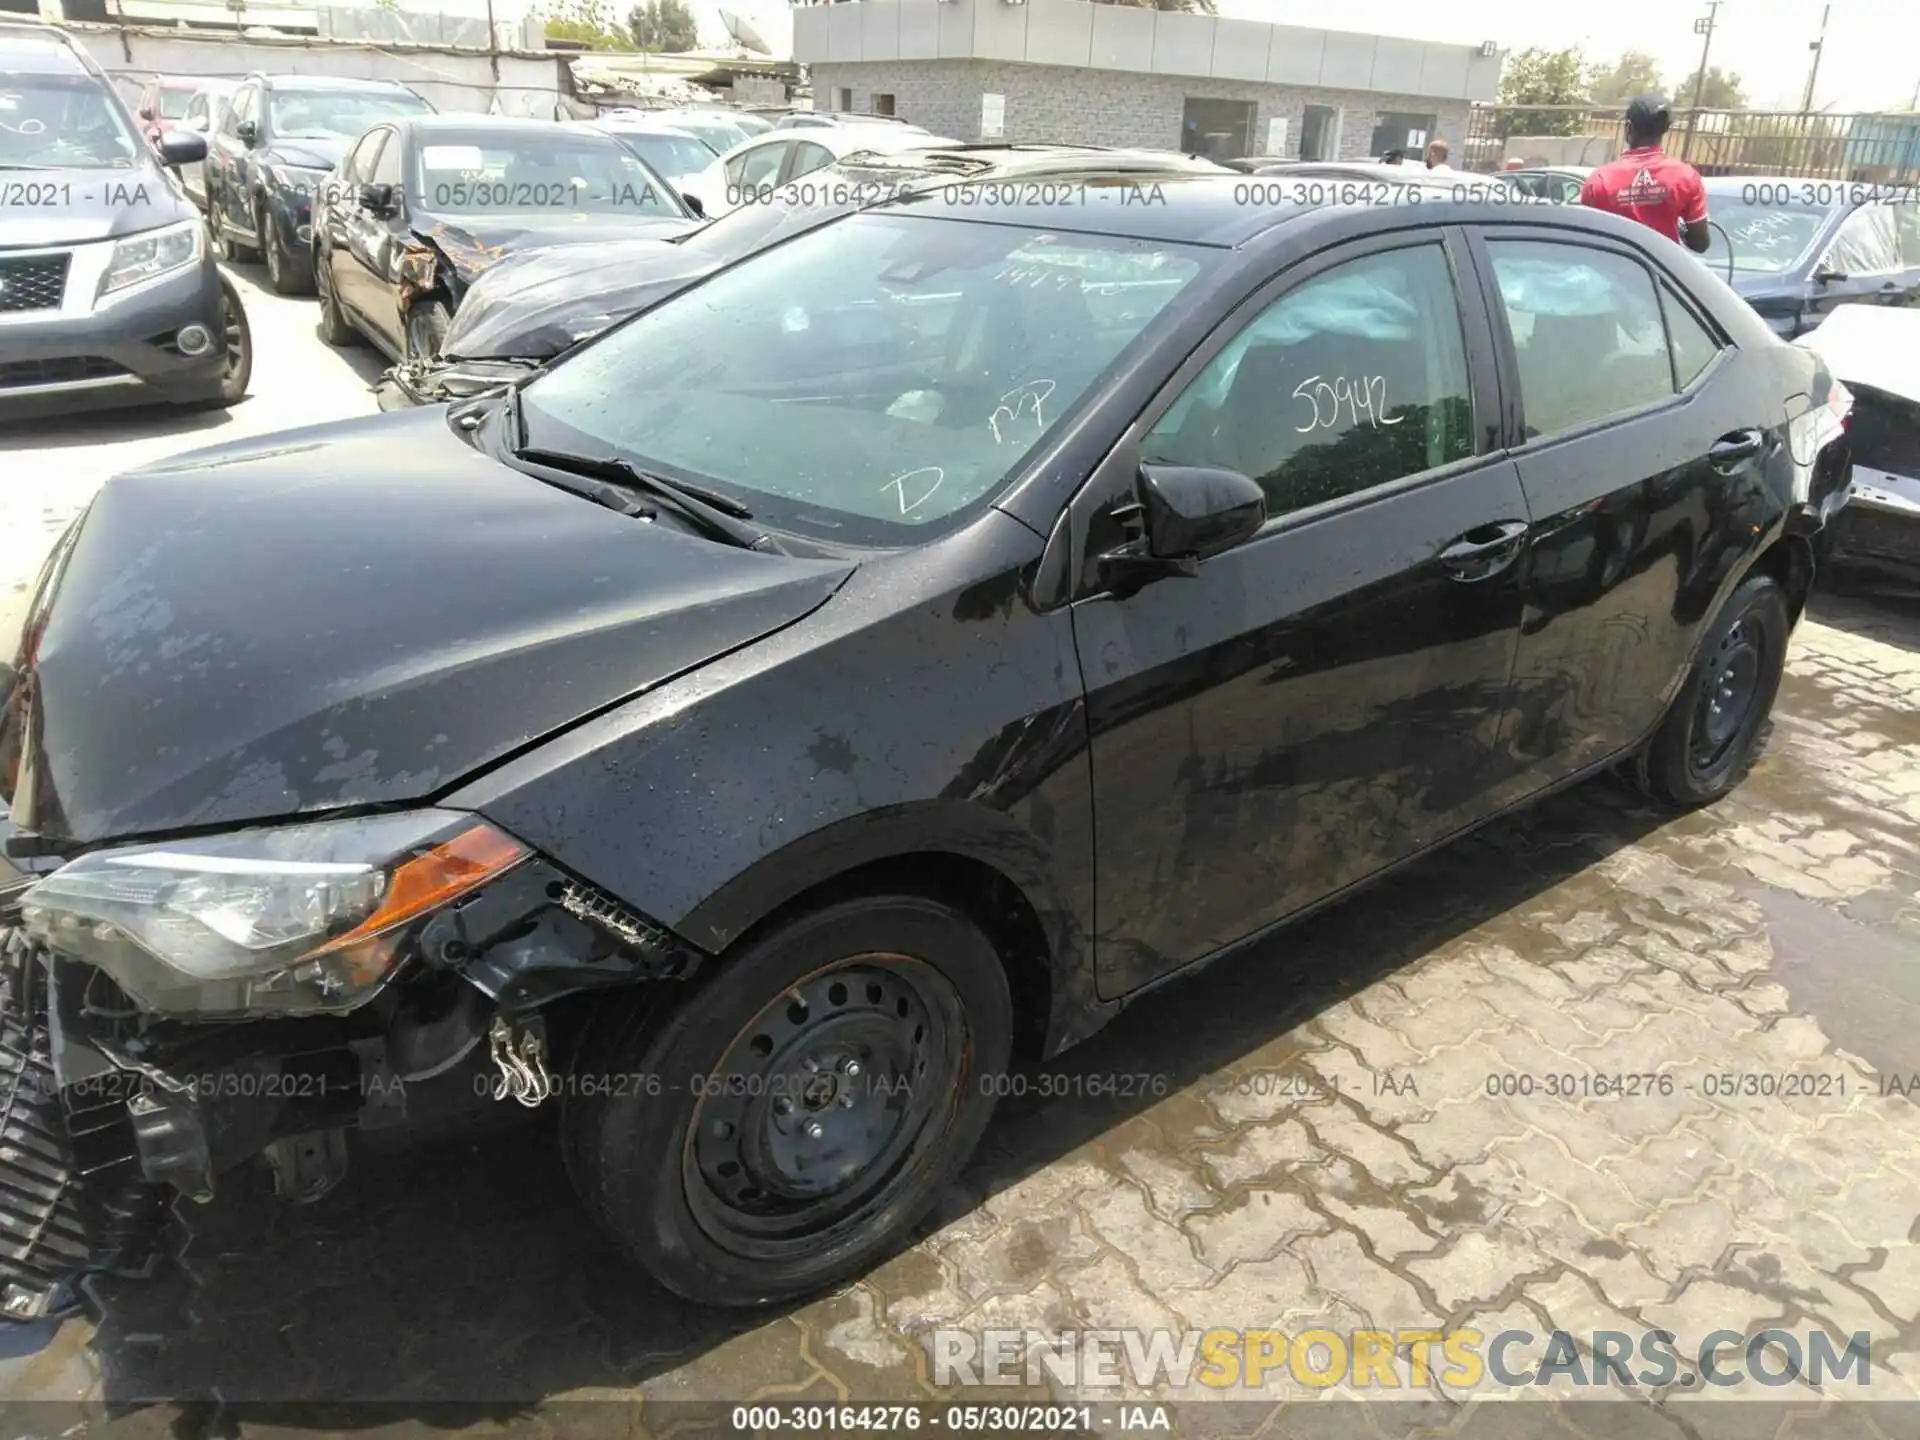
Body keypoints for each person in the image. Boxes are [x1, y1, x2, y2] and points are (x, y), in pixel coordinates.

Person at [1578, 93, 1710, 253]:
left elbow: (1584, 241)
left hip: (1610, 274)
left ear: (1628, 127)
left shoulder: (1599, 180)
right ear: (1665, 129)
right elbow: (1700, 243)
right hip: (1663, 273)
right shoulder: (1686, 177)